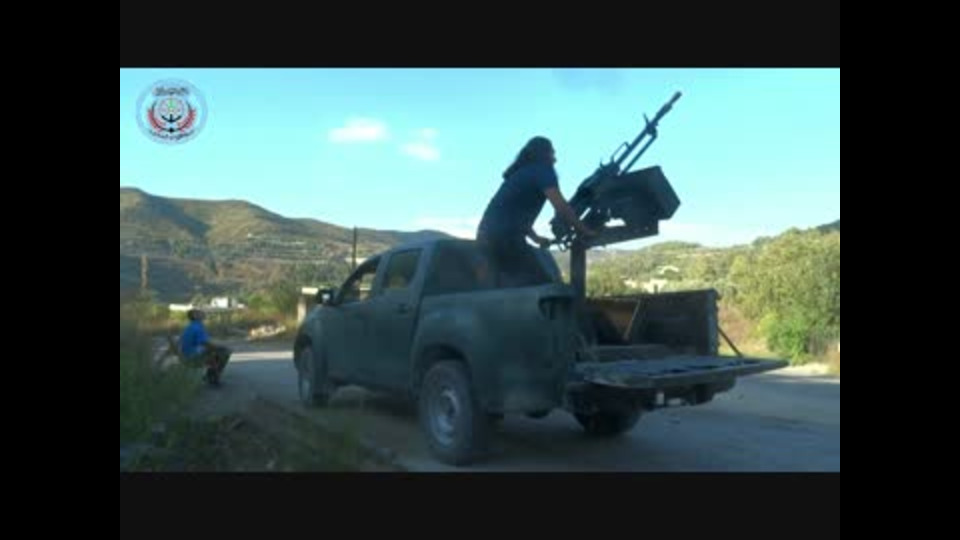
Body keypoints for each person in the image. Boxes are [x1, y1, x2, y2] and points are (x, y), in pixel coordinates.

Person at [476, 136, 596, 286]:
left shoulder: (522, 173)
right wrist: (584, 230)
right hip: (505, 239)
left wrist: (536, 238)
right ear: (545, 153)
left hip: (486, 236)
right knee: (543, 286)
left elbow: (515, 215)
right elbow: (561, 207)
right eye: (553, 153)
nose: (555, 158)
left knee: (505, 286)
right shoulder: (543, 171)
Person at [179, 308, 231, 386]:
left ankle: (210, 375)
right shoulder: (197, 327)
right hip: (193, 356)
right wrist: (218, 347)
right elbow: (204, 343)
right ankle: (212, 378)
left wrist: (216, 347)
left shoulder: (191, 326)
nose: (202, 313)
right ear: (195, 316)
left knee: (218, 351)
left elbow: (202, 342)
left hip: (187, 354)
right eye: (199, 312)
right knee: (224, 352)